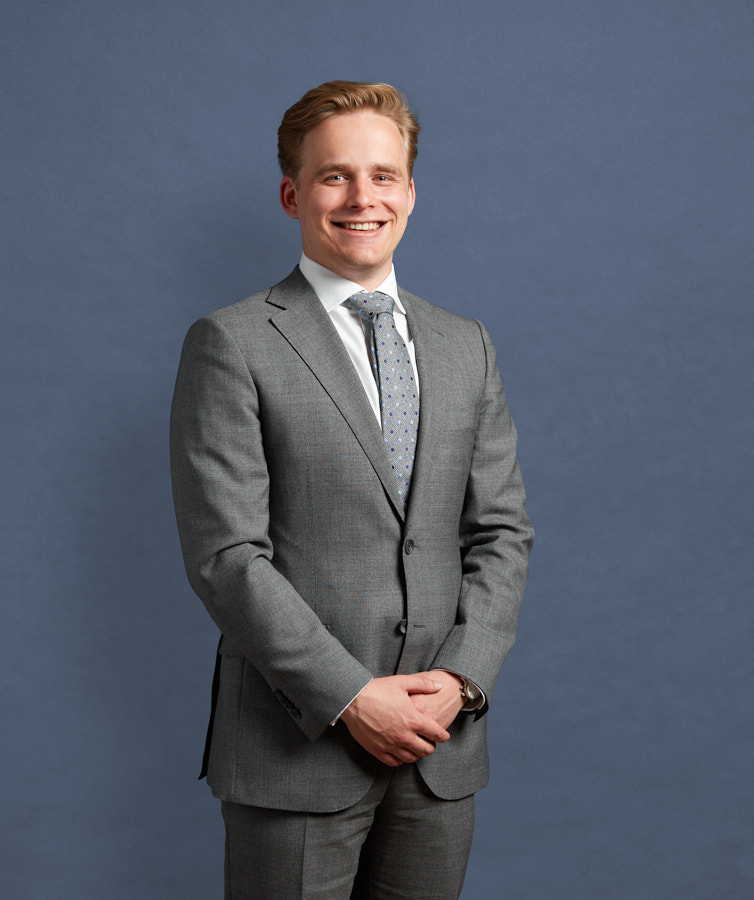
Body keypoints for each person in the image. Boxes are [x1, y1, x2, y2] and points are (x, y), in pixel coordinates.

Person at [170, 80, 533, 899]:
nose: (362, 197)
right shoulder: (232, 342)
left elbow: (502, 532)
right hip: (295, 748)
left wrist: (462, 678)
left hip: (440, 744)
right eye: (335, 176)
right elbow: (226, 556)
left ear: (410, 192)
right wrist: (351, 697)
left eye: (383, 175)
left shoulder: (465, 344)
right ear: (293, 195)